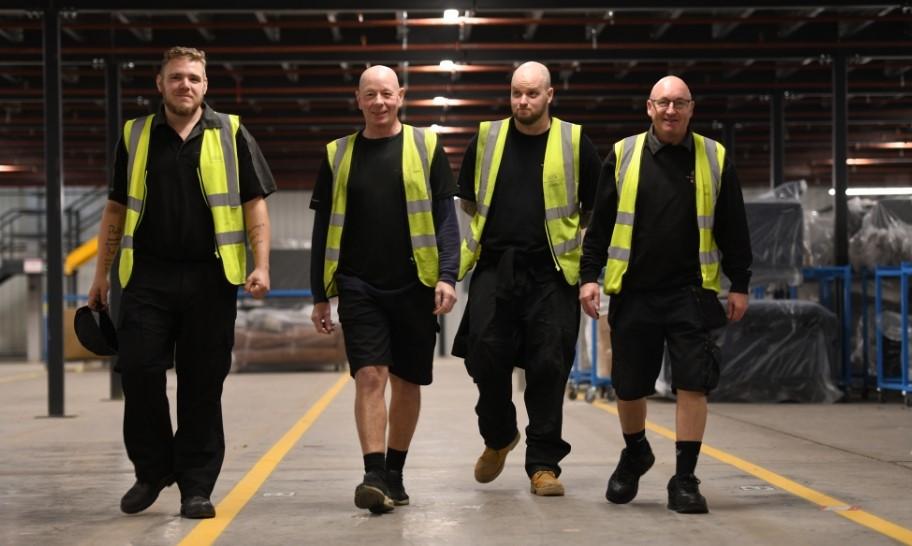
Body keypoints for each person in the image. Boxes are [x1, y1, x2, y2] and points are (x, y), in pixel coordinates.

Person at [87, 46, 275, 519]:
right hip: (147, 277)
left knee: (202, 383)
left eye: (193, 77)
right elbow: (115, 207)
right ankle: (152, 472)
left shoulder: (231, 132)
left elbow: (255, 202)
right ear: (160, 84)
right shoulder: (136, 135)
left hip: (212, 278)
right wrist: (99, 276)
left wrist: (261, 264)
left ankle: (196, 485)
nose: (185, 85)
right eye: (176, 77)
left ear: (205, 85)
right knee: (139, 372)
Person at [579, 75, 752, 514]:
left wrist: (741, 283)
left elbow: (734, 226)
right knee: (628, 386)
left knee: (694, 383)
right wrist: (588, 276)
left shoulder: (714, 157)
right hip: (635, 291)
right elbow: (599, 225)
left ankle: (685, 478)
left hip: (692, 293)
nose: (671, 111)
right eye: (663, 103)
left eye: (680, 103)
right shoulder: (622, 154)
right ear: (649, 108)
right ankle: (636, 451)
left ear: (692, 108)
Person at [309, 65, 459, 514]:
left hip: (414, 284)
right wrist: (320, 292)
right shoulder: (338, 154)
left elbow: (446, 221)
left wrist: (447, 276)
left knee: (407, 380)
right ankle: (373, 473)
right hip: (359, 284)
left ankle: (395, 471)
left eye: (386, 94)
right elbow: (322, 228)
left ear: (401, 96)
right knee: (369, 375)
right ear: (358, 99)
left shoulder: (426, 145)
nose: (379, 102)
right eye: (370, 94)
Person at [453, 61, 601, 496]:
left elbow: (595, 212)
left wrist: (588, 272)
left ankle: (543, 464)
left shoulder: (575, 141)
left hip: (552, 272)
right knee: (482, 353)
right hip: (496, 265)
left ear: (550, 95)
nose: (523, 101)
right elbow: (466, 203)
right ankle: (499, 435)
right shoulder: (487, 137)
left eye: (532, 94)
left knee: (549, 366)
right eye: (517, 93)